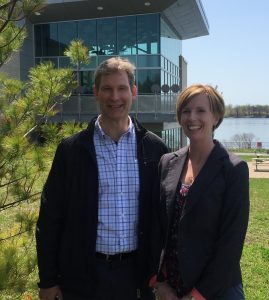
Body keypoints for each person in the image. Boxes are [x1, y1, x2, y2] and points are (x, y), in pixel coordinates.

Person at [36, 57, 168, 300]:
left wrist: (163, 276)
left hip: (137, 277)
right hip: (83, 276)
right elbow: (49, 220)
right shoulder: (71, 150)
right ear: (95, 92)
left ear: (134, 92)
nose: (114, 97)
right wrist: (48, 280)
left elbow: (165, 221)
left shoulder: (155, 149)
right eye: (107, 88)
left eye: (121, 88)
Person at [152, 84, 249, 300]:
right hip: (172, 289)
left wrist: (196, 295)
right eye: (186, 111)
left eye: (200, 111)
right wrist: (160, 281)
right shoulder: (167, 163)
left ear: (216, 117)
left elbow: (231, 244)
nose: (192, 117)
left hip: (217, 290)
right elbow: (158, 228)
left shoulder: (233, 170)